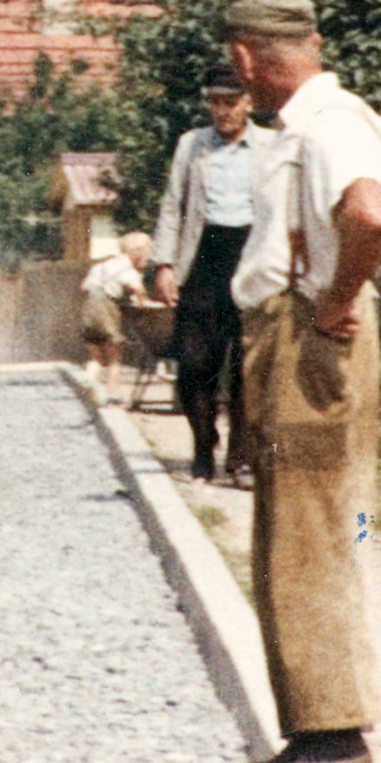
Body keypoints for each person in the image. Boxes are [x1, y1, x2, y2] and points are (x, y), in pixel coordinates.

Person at [222, 0, 381, 763]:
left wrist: (333, 297)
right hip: (298, 337)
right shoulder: (313, 124)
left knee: (309, 533)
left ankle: (332, 736)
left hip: (310, 342)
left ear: (246, 55)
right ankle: (318, 729)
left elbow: (369, 210)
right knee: (303, 527)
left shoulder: (330, 127)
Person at [151, 62, 273, 484]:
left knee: (245, 364)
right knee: (193, 362)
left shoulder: (270, 146)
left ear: (249, 103)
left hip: (250, 259)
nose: (222, 111)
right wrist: (164, 264)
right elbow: (173, 205)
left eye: (230, 102)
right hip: (202, 258)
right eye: (215, 103)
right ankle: (203, 445)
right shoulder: (192, 145)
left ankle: (240, 457)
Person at [79, 231, 157, 406]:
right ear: (137, 253)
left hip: (89, 309)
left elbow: (84, 287)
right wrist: (144, 300)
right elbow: (137, 288)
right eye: (146, 256)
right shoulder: (127, 269)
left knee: (96, 356)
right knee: (114, 357)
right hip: (108, 309)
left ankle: (89, 378)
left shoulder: (101, 265)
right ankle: (112, 393)